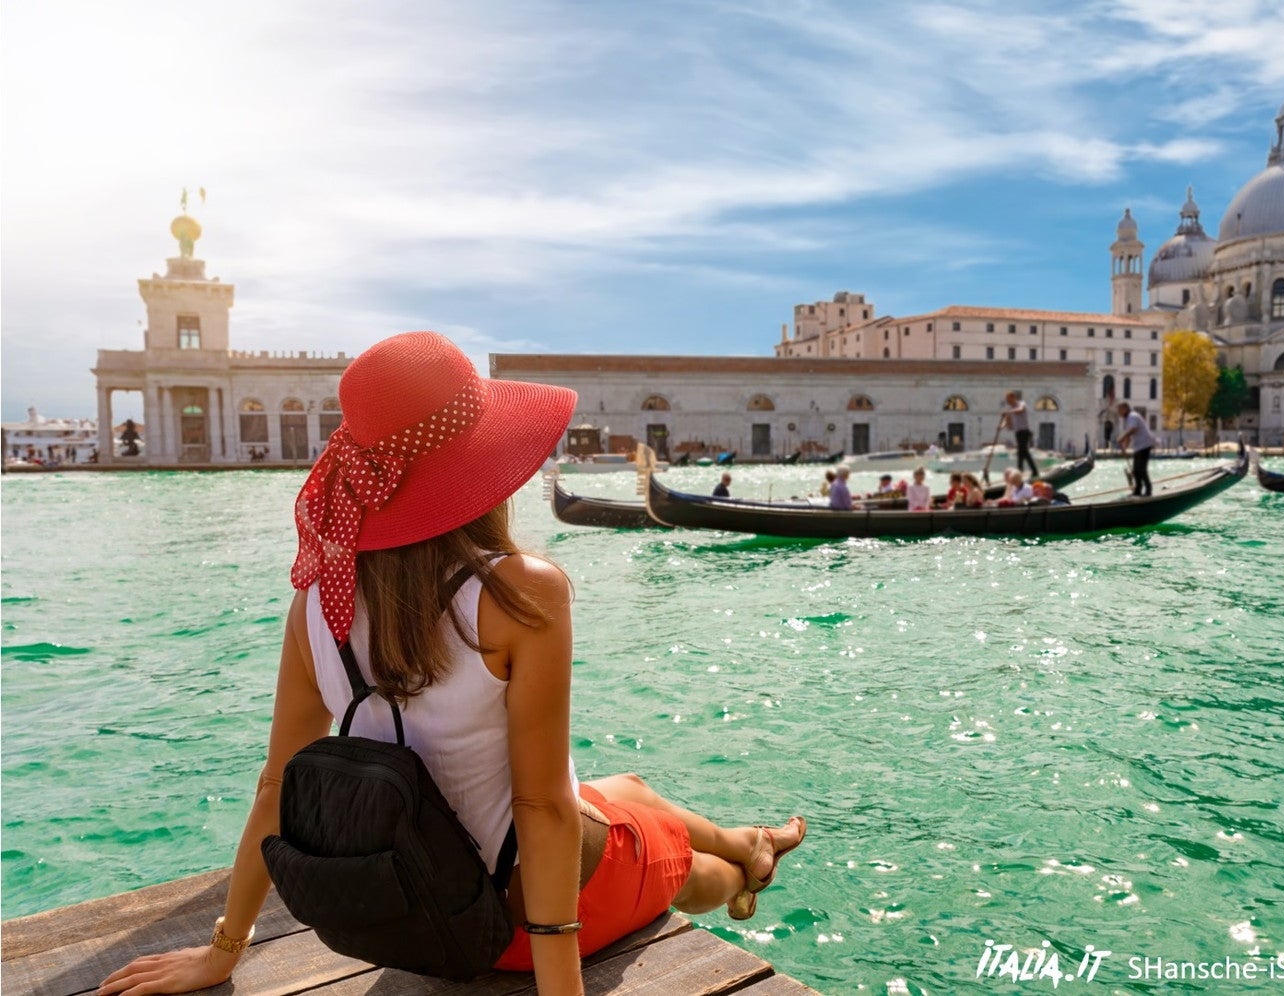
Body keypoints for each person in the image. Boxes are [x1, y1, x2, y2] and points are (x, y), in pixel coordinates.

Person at [99, 333, 805, 996]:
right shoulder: (519, 591)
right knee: (681, 858)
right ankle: (742, 870)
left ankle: (751, 839)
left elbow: (275, 785)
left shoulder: (315, 603)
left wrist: (223, 950)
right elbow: (542, 809)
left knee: (630, 788)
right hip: (512, 927)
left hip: (412, 912)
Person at [1115, 402, 1155, 497]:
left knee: (1141, 469)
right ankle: (1138, 490)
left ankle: (1148, 490)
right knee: (1136, 470)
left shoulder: (1133, 416)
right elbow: (1129, 435)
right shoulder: (1127, 419)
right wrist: (1124, 448)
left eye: (1119, 410)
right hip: (1138, 446)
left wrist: (1122, 437)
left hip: (1145, 444)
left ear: (1125, 409)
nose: (1118, 412)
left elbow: (1133, 429)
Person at [1001, 391, 1039, 479]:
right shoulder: (1010, 408)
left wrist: (1009, 412)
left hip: (1025, 431)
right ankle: (1022, 471)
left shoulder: (1021, 404)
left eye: (1008, 399)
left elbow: (1020, 410)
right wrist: (1001, 427)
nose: (1007, 401)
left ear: (1013, 398)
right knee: (1022, 452)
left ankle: (1028, 471)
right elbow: (1006, 420)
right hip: (1018, 432)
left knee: (1023, 451)